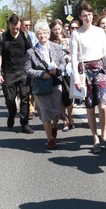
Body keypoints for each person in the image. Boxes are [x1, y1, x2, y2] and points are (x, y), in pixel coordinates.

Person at [70, 2, 106, 153]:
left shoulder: (99, 31)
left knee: (103, 105)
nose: (87, 17)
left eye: (89, 14)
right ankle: (95, 137)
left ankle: (104, 135)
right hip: (85, 71)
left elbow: (105, 52)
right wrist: (76, 77)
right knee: (90, 107)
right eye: (84, 15)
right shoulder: (76, 34)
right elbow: (74, 58)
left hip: (99, 68)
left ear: (92, 15)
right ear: (80, 17)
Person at [25, 21, 67, 150]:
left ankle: (54, 127)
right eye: (39, 33)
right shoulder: (31, 52)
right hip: (41, 86)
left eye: (44, 33)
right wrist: (41, 74)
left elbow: (63, 63)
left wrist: (57, 70)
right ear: (36, 36)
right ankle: (49, 138)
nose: (42, 35)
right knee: (44, 112)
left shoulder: (56, 47)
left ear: (49, 34)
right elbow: (27, 69)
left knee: (56, 111)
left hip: (55, 83)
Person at [0, 14, 34, 133]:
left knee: (24, 98)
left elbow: (30, 53)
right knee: (10, 100)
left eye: (17, 28)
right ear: (8, 25)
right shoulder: (2, 38)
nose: (16, 30)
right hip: (8, 72)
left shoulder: (25, 36)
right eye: (13, 28)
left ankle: (24, 123)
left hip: (23, 72)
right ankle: (11, 113)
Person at [50, 19, 75, 132]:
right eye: (55, 29)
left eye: (59, 29)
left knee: (70, 96)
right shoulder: (50, 42)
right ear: (51, 30)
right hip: (57, 73)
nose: (57, 31)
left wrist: (67, 55)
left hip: (68, 71)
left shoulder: (67, 40)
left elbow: (73, 53)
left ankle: (70, 116)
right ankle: (64, 120)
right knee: (60, 97)